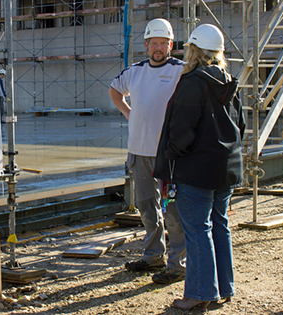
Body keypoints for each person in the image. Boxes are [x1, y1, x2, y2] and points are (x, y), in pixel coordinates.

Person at [153, 24, 244, 311]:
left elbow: (182, 130)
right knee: (219, 225)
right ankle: (223, 287)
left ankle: (200, 294)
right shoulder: (228, 80)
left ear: (192, 49)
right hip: (225, 167)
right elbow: (239, 126)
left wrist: (171, 159)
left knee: (197, 230)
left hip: (196, 170)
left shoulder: (193, 81)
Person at [108, 18, 186, 284]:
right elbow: (114, 91)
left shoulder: (180, 70)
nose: (158, 48)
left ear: (171, 45)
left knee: (173, 208)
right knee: (146, 206)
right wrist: (129, 114)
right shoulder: (135, 71)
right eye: (154, 43)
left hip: (169, 155)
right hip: (139, 152)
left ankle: (178, 263)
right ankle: (154, 256)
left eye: (163, 43)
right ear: (146, 44)